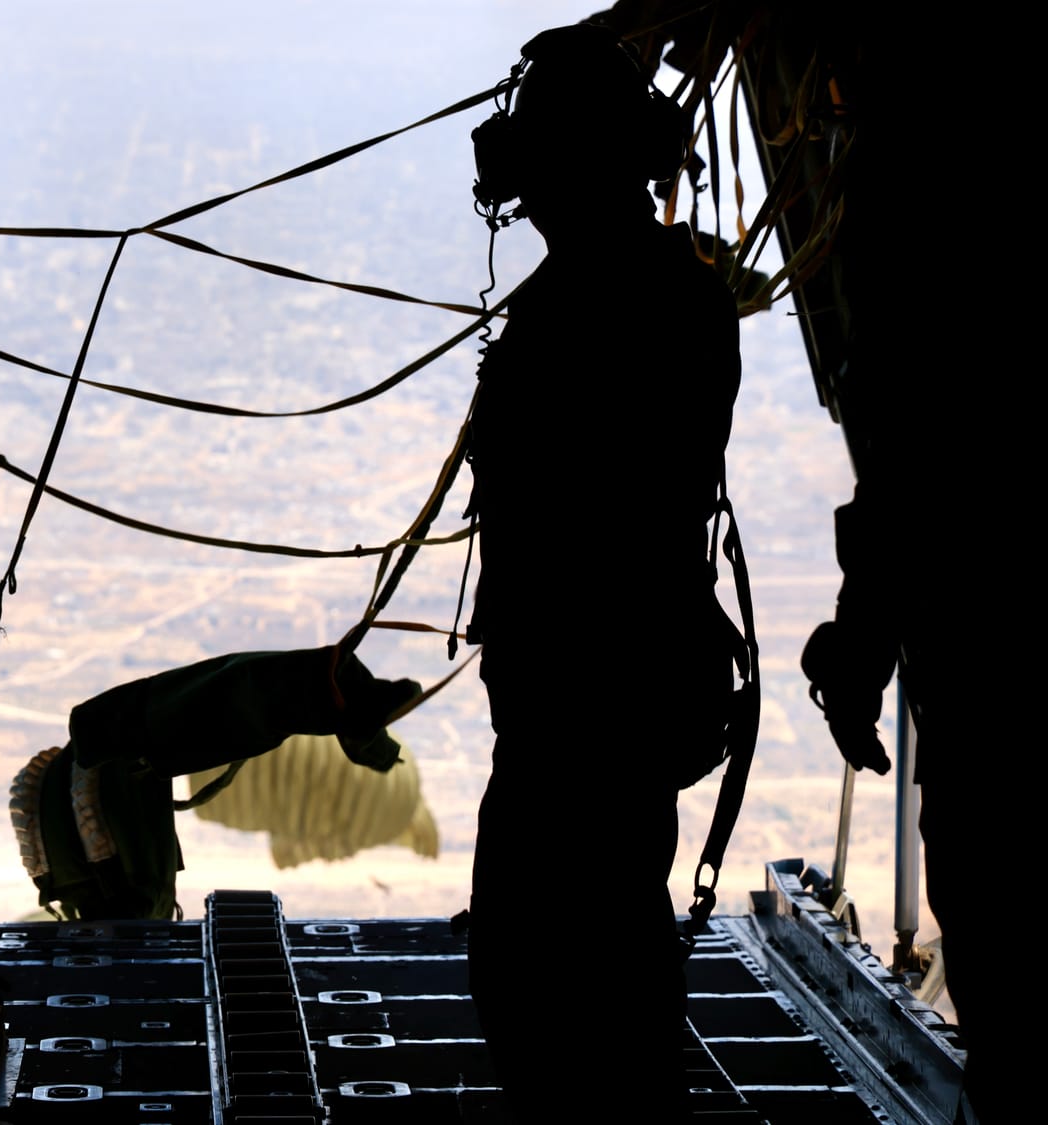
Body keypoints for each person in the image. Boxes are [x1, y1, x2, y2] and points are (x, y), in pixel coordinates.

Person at [460, 23, 739, 1120]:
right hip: (616, 684)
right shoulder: (664, 289)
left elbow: (577, 510)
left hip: (583, 693)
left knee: (554, 970)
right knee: (601, 946)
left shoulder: (593, 305)